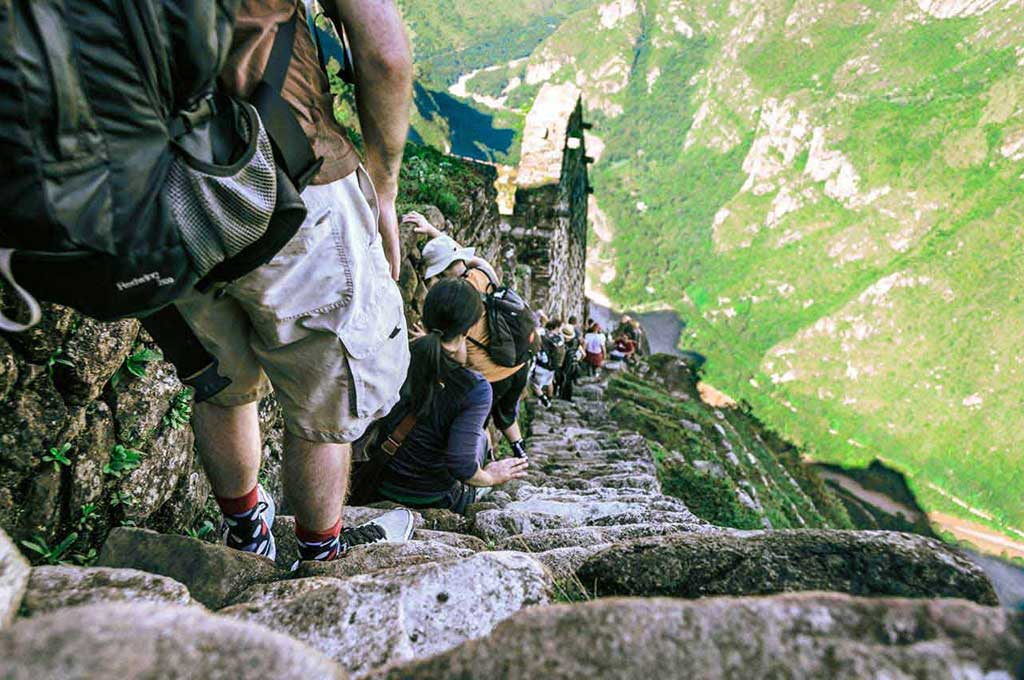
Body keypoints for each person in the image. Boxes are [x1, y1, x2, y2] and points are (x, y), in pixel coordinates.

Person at [174, 0, 416, 563]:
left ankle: (246, 534)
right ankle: (317, 555)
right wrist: (382, 182)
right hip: (288, 177)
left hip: (166, 194)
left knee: (222, 380)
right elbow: (384, 54)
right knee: (324, 398)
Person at [371, 279, 529, 513]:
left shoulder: (396, 354)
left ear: (426, 318)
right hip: (431, 498)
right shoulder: (474, 388)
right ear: (469, 328)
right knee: (482, 436)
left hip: (377, 481)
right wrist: (492, 477)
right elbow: (462, 467)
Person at [404, 210, 531, 458]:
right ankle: (521, 454)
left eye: (439, 274)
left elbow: (460, 355)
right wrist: (433, 232)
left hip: (492, 374)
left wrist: (429, 340)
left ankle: (485, 463)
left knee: (475, 422)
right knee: (505, 415)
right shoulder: (483, 271)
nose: (437, 280)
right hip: (518, 364)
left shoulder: (458, 303)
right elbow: (459, 257)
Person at [532, 319, 564, 407]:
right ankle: (549, 400)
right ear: (556, 327)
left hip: (541, 365)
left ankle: (544, 400)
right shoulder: (559, 338)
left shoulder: (542, 335)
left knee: (536, 385)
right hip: (553, 366)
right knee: (549, 382)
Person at [557, 322, 580, 401]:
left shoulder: (562, 343)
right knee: (569, 380)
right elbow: (582, 353)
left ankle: (561, 395)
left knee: (563, 378)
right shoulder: (576, 341)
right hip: (573, 363)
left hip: (565, 363)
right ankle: (568, 397)